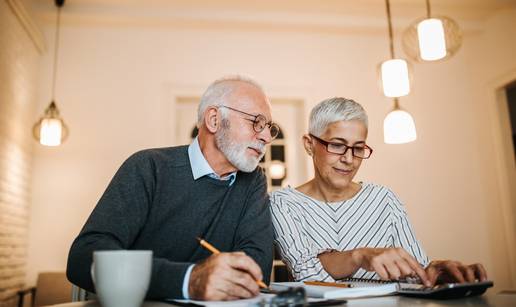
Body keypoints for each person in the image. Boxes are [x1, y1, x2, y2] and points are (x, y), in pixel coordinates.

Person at [67, 76, 281, 301]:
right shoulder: (148, 167)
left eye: (269, 127)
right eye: (256, 122)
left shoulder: (253, 181)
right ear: (214, 119)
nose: (266, 137)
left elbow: (256, 270)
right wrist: (188, 280)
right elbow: (83, 258)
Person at [270, 97, 487, 287]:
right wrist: (359, 256)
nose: (348, 159)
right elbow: (307, 274)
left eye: (358, 148)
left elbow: (414, 274)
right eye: (337, 145)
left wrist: (436, 271)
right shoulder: (283, 203)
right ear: (309, 144)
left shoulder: (384, 199)